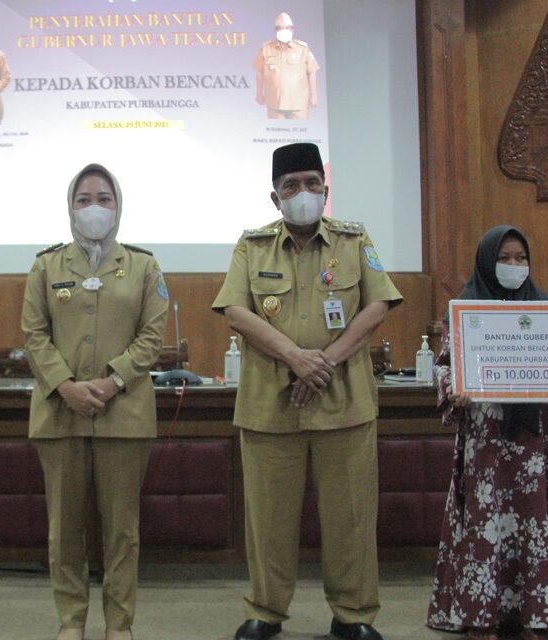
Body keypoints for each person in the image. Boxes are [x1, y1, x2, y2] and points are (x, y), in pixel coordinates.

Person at [211, 142, 403, 640]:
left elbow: (379, 304)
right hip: (270, 407)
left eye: (311, 183)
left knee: (352, 520)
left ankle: (354, 615)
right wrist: (297, 358)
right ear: (275, 198)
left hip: (345, 403)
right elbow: (235, 312)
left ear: (325, 188)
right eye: (290, 186)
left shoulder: (353, 240)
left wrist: (325, 362)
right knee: (269, 521)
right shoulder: (251, 246)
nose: (302, 193)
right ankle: (266, 611)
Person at [21, 164, 168, 640]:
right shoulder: (46, 266)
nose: (94, 208)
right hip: (58, 412)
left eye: (104, 198)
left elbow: (151, 336)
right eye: (83, 199)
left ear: (118, 206)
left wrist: (112, 382)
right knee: (64, 530)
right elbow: (34, 334)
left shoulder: (144, 266)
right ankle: (71, 622)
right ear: (69, 207)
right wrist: (64, 385)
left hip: (123, 415)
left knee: (121, 532)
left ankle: (119, 625)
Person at [426, 225, 548, 640]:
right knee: (486, 519)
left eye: (521, 258)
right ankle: (481, 615)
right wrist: (453, 389)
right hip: (487, 437)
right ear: (485, 261)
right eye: (504, 258)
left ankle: (533, 614)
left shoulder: (547, 310)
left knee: (534, 518)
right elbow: (443, 365)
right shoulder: (466, 309)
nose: (514, 266)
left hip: (535, 439)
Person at [254, 12, 321, 119]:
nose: (285, 31)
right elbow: (259, 72)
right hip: (275, 104)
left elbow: (312, 72)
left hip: (299, 104)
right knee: (275, 134)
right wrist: (258, 93)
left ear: (292, 29)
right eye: (281, 28)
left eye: (288, 28)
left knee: (301, 134)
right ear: (276, 30)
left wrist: (314, 95)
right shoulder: (265, 49)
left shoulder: (303, 49)